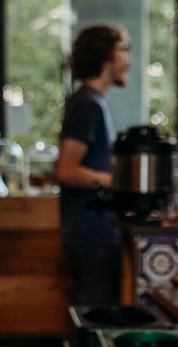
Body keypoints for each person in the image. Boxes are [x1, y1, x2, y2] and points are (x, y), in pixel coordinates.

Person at [55, 22, 129, 308]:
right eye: (123, 49)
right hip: (90, 234)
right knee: (93, 320)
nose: (128, 59)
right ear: (105, 56)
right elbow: (65, 170)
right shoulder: (87, 104)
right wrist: (117, 181)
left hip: (94, 232)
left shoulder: (93, 101)